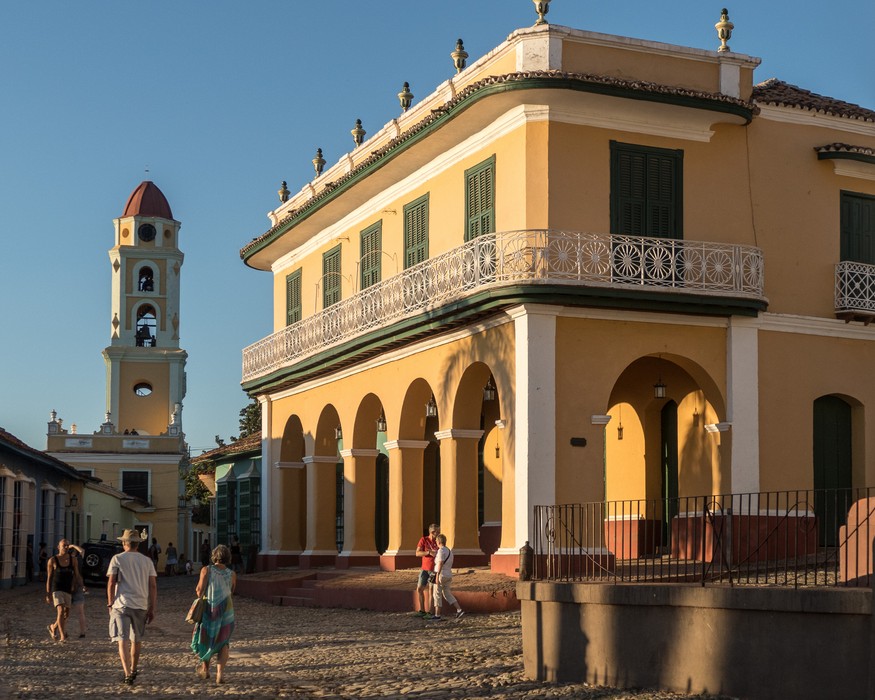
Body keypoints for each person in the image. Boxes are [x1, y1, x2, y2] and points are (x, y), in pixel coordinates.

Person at [107, 528, 157, 686]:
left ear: (124, 543)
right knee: (136, 639)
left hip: (121, 604)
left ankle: (127, 673)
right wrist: (152, 607)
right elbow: (153, 586)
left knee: (122, 640)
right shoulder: (147, 561)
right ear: (137, 544)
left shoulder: (117, 559)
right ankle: (134, 669)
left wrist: (110, 602)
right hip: (140, 605)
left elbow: (111, 582)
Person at [191, 544, 237, 685]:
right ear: (228, 557)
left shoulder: (206, 570)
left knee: (206, 638)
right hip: (227, 610)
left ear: (214, 556)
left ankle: (205, 670)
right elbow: (232, 590)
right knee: (224, 642)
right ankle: (220, 674)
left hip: (210, 608)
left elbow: (199, 590)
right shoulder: (232, 574)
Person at [45, 538, 80, 642]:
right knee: (60, 611)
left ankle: (53, 627)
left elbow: (76, 574)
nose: (66, 547)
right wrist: (48, 593)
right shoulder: (52, 560)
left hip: (68, 588)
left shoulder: (73, 559)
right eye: (64, 545)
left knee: (66, 614)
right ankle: (62, 636)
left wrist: (78, 585)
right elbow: (49, 578)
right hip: (57, 589)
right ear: (58, 547)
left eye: (67, 546)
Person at [428, 533, 464, 621]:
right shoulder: (449, 551)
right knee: (447, 593)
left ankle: (437, 615)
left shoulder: (441, 551)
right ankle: (459, 609)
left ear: (439, 542)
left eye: (436, 541)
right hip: (448, 574)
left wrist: (437, 575)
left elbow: (440, 563)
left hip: (441, 575)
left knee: (437, 594)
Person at [413, 523, 439, 618]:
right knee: (419, 589)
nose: (439, 533)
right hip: (424, 569)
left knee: (431, 590)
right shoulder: (423, 540)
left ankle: (430, 612)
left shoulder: (438, 541)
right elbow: (417, 553)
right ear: (432, 532)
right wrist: (428, 552)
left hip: (434, 569)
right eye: (437, 532)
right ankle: (422, 610)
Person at [67, 544, 88, 638]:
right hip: (78, 585)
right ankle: (82, 631)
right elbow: (82, 551)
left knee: (64, 612)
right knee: (80, 611)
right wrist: (73, 545)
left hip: (67, 586)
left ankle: (62, 630)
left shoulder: (64, 560)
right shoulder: (78, 560)